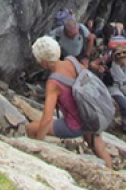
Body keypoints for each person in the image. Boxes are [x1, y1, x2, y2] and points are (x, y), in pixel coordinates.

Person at [26, 36, 113, 168]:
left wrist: (39, 143)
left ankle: (35, 162)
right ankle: (111, 172)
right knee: (97, 145)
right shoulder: (72, 61)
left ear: (44, 62)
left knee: (31, 128)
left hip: (74, 125)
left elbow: (47, 118)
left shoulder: (53, 82)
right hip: (90, 115)